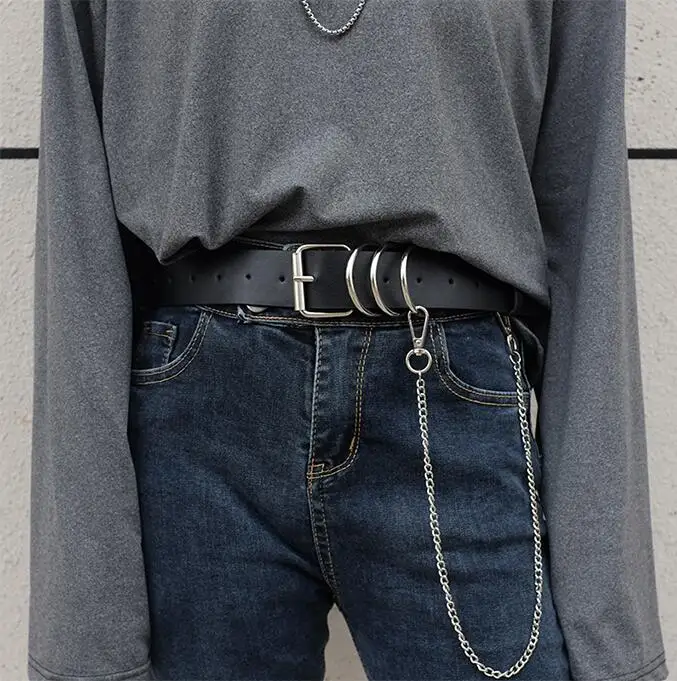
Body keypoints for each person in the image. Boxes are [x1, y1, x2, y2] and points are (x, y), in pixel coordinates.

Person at [28, 1, 668, 681]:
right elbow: (80, 224)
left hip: (448, 396)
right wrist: (86, 626)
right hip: (201, 415)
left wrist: (611, 627)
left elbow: (584, 208)